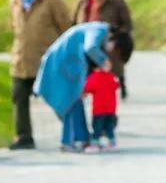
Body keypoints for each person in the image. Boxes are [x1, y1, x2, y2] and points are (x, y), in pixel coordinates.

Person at [8, 0, 72, 150]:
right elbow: (15, 28)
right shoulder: (14, 1)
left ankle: (73, 132)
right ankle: (24, 136)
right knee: (19, 97)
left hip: (47, 61)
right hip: (22, 60)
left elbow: (66, 28)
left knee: (57, 97)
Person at [33, 22, 111, 152]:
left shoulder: (90, 27)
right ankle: (70, 141)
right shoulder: (100, 30)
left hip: (62, 63)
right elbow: (91, 47)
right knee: (71, 102)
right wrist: (104, 61)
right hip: (63, 65)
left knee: (74, 102)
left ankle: (82, 139)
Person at [73, 0, 133, 99]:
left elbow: (127, 25)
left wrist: (116, 35)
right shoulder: (83, 2)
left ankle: (119, 85)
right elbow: (73, 22)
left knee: (110, 67)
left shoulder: (116, 1)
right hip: (86, 38)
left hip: (108, 40)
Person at [82, 60, 120, 152]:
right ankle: (112, 143)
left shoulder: (94, 77)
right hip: (110, 108)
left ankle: (95, 144)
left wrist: (83, 94)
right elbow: (116, 85)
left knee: (97, 127)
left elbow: (88, 88)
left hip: (99, 109)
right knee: (109, 127)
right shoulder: (112, 77)